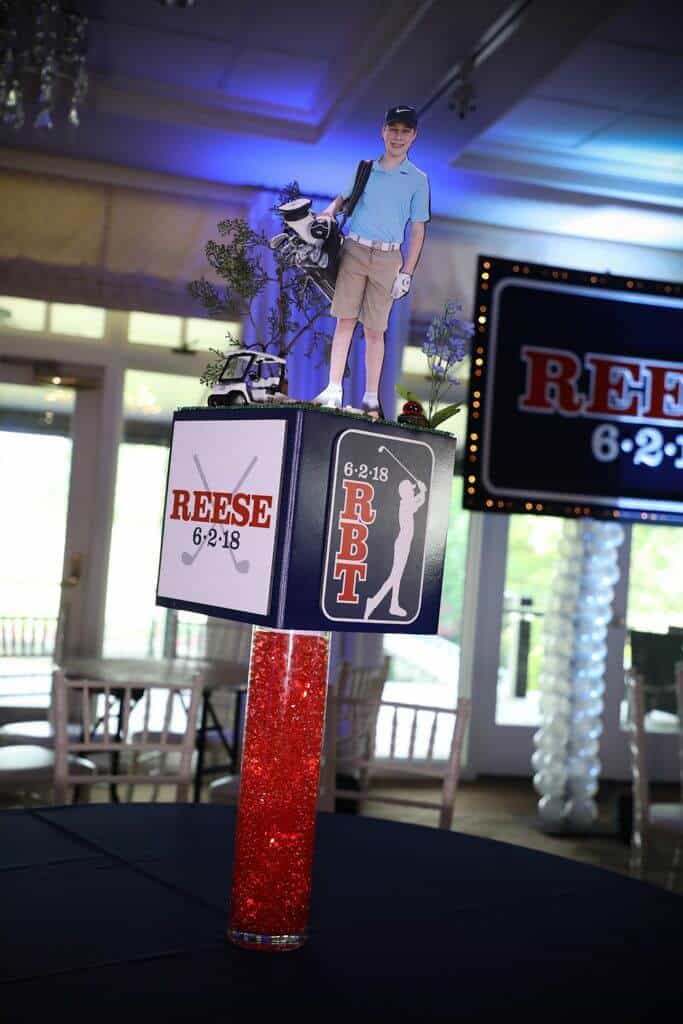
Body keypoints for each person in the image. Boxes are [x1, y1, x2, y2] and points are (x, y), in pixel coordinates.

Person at [313, 105, 430, 418]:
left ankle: (370, 398)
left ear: (414, 136)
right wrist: (327, 212)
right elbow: (344, 198)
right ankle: (333, 389)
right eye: (393, 129)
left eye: (405, 131)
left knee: (375, 329)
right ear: (383, 131)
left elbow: (418, 229)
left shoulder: (417, 180)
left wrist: (407, 272)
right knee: (345, 320)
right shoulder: (366, 167)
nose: (398, 136)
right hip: (355, 248)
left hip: (388, 256)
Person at [364, 477, 427, 619]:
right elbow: (420, 501)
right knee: (394, 576)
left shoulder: (407, 502)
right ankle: (373, 601)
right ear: (405, 493)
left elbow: (419, 500)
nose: (412, 490)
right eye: (410, 489)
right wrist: (422, 491)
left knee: (397, 577)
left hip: (405, 543)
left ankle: (393, 605)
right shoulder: (405, 504)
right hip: (402, 543)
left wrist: (422, 492)